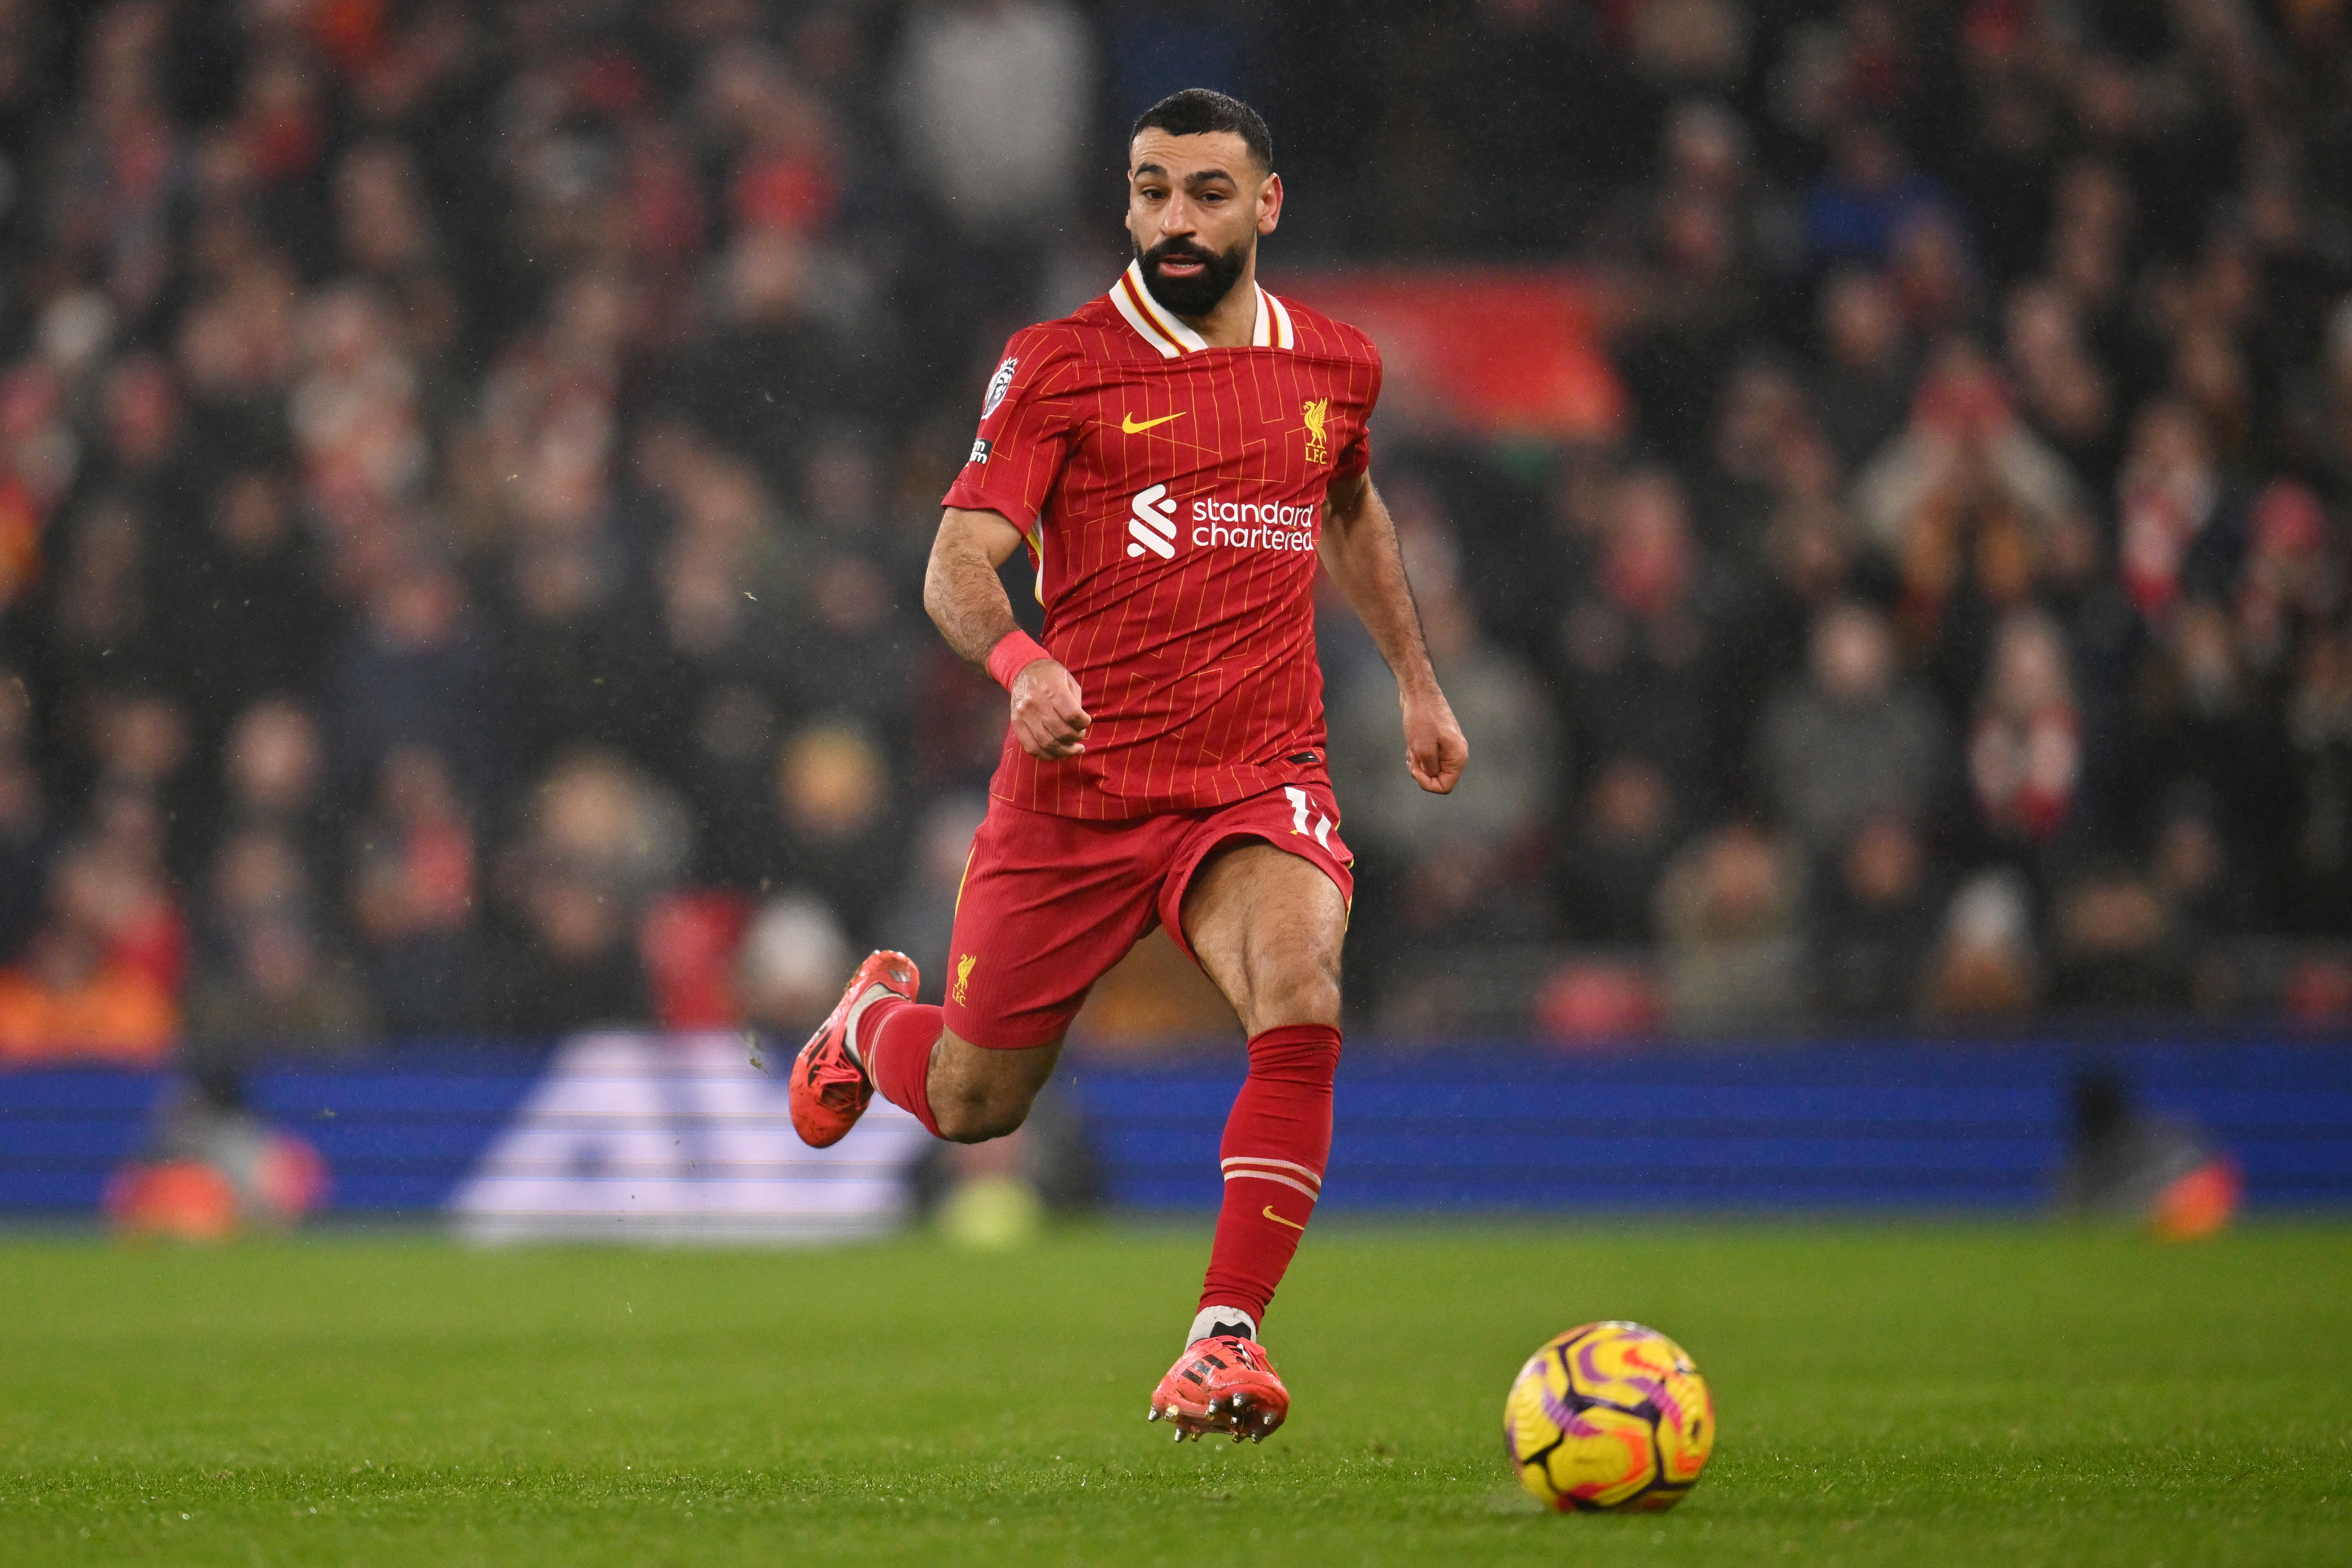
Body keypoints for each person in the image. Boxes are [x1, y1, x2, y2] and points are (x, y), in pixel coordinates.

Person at [784, 90, 1466, 1443]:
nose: (1174, 218)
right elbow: (955, 562)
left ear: (1265, 205)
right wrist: (1024, 665)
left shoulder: (1335, 366)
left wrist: (1417, 681)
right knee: (979, 1103)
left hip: (1253, 775)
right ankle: (868, 1022)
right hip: (1078, 794)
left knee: (1301, 984)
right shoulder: (1061, 363)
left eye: (1207, 193)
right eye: (1151, 190)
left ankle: (1224, 1339)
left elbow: (1350, 503)